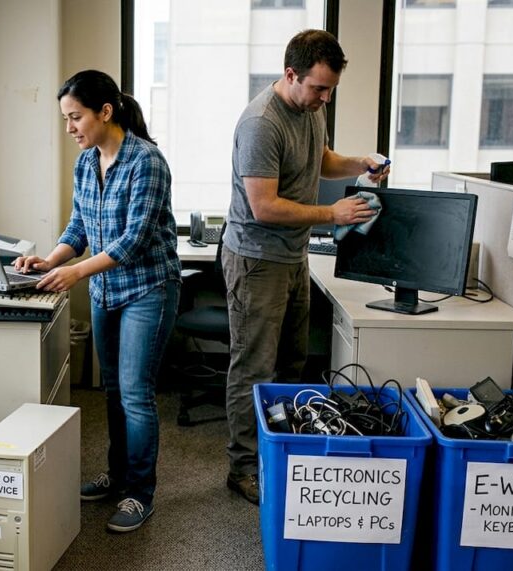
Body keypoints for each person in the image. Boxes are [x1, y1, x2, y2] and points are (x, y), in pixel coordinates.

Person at [222, 30, 389, 504]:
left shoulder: (311, 109)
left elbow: (321, 161)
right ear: (290, 75)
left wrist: (361, 164)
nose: (325, 97)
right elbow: (264, 207)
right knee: (254, 368)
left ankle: (285, 450)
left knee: (293, 364)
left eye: (331, 89)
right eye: (318, 88)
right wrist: (332, 214)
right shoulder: (261, 123)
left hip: (291, 257)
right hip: (256, 259)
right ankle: (243, 466)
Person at [14, 69, 181, 532]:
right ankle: (120, 475)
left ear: (105, 112)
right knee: (112, 393)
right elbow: (79, 229)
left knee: (135, 394)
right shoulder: (86, 162)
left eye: (75, 117)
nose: (69, 128)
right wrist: (48, 261)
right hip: (107, 290)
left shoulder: (147, 161)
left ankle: (139, 493)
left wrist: (75, 273)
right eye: (65, 118)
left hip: (148, 289)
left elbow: (133, 241)